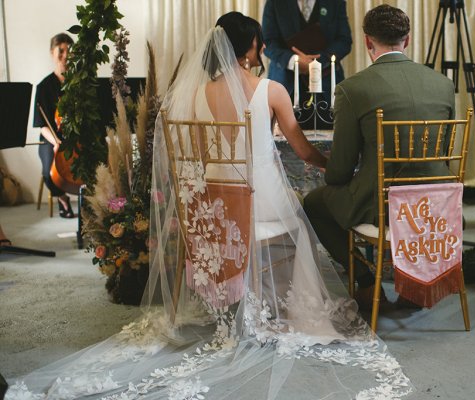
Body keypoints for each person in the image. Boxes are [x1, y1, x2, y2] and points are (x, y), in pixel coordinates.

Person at [6, 12, 413, 399]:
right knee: (301, 224)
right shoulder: (271, 90)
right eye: (256, 44)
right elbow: (304, 151)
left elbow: (194, 162)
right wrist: (337, 167)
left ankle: (242, 301)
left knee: (289, 216)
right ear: (251, 48)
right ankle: (275, 305)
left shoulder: (194, 95)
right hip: (260, 207)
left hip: (213, 213)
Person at [304, 4, 456, 310]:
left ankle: (365, 281)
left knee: (312, 203)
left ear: (367, 41)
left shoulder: (352, 89)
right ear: (408, 40)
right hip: (436, 203)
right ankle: (415, 287)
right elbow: (442, 152)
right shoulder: (444, 85)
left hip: (384, 206)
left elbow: (339, 173)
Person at [262, 0, 352, 128]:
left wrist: (315, 63)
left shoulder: (335, 2)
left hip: (326, 88)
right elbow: (268, 42)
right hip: (286, 85)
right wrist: (294, 61)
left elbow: (344, 40)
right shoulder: (274, 2)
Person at [33, 33, 75, 218]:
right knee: (48, 172)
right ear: (52, 52)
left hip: (74, 137)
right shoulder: (44, 87)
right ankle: (62, 198)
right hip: (50, 137)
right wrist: (56, 141)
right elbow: (41, 124)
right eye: (61, 50)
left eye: (69, 50)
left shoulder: (78, 83)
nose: (65, 55)